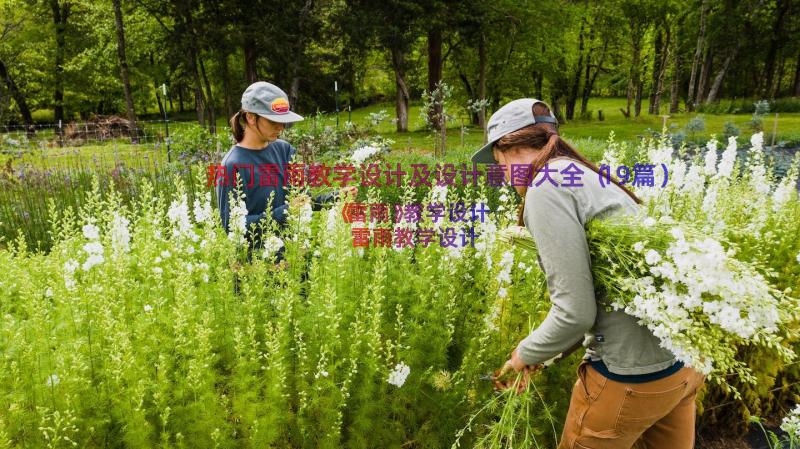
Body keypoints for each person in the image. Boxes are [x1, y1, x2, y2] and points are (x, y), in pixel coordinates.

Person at [470, 99, 705, 449]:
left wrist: (525, 353)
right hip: (683, 365)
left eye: (499, 165)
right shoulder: (581, 172)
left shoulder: (546, 188)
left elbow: (575, 313)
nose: (502, 176)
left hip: (629, 380)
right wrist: (544, 355)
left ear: (510, 149)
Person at [216, 81, 355, 260]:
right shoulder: (231, 165)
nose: (281, 128)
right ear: (251, 117)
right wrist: (283, 212)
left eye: (283, 122)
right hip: (257, 269)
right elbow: (231, 226)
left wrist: (334, 197)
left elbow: (301, 199)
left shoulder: (284, 150)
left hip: (295, 258)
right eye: (273, 121)